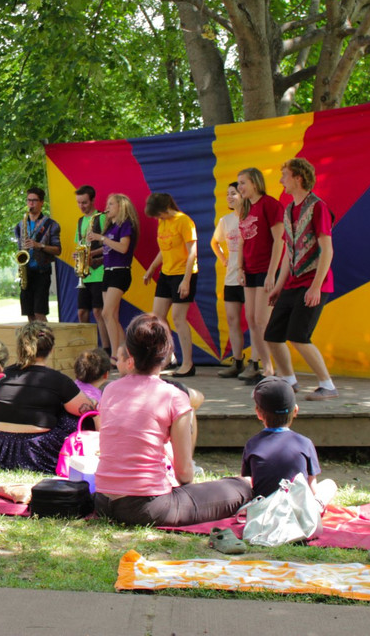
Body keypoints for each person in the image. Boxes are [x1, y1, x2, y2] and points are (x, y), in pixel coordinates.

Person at [94, 314, 252, 527]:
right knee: (240, 487)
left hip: (103, 500)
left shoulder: (109, 389)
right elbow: (185, 474)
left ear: (129, 353)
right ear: (168, 355)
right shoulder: (173, 396)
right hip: (147, 506)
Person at [266, 158, 339, 400]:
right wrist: (278, 287)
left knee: (299, 336)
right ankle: (288, 380)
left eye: (284, 175)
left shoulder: (318, 207)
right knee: (273, 335)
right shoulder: (288, 210)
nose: (281, 180)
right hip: (292, 283)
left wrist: (316, 286)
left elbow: (326, 249)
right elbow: (289, 252)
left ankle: (327, 385)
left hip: (314, 283)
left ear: (298, 177)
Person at [0, 321, 95, 473]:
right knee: (80, 419)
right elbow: (87, 411)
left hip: (0, 451)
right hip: (38, 452)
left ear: (20, 349)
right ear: (51, 349)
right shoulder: (58, 379)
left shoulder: (4, 374)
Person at [243, 377, 336, 505]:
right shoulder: (305, 443)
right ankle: (317, 509)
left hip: (264, 510)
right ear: (296, 411)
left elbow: (249, 482)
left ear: (258, 413)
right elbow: (312, 487)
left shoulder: (252, 444)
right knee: (330, 484)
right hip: (298, 512)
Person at [235, 167, 284, 384]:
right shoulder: (245, 208)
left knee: (263, 321)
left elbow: (279, 241)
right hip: (251, 270)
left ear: (255, 183)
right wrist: (241, 268)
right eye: (238, 183)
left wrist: (272, 273)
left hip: (266, 269)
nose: (240, 187)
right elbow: (243, 242)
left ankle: (276, 370)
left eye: (243, 182)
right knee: (252, 320)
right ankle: (266, 368)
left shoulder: (270, 205)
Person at [142, 193, 199, 378]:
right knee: (157, 317)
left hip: (183, 273)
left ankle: (188, 363)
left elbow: (192, 253)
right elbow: (163, 249)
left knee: (178, 318)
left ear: (166, 209)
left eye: (159, 215)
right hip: (166, 273)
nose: (158, 219)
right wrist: (151, 268)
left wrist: (186, 280)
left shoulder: (184, 221)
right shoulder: (163, 222)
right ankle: (168, 356)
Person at [88, 193, 138, 360]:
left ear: (121, 206)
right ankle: (125, 353)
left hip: (120, 271)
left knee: (107, 313)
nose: (106, 207)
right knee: (111, 316)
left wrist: (100, 238)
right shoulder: (111, 227)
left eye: (111, 204)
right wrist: (91, 254)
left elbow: (123, 248)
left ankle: (116, 355)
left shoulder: (126, 225)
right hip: (108, 272)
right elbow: (108, 249)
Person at [212, 182, 246, 378]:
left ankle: (257, 363)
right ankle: (237, 361)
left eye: (233, 193)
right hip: (231, 277)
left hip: (250, 277)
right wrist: (224, 259)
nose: (229, 197)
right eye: (227, 194)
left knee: (254, 321)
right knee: (233, 320)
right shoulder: (225, 220)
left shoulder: (251, 218)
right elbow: (215, 242)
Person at [14, 187, 61, 322]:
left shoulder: (51, 225)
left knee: (40, 313)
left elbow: (58, 250)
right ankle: (34, 342)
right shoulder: (20, 225)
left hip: (42, 271)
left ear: (41, 203)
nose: (31, 204)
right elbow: (20, 247)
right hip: (26, 272)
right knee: (29, 314)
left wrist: (39, 245)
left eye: (34, 201)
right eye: (29, 200)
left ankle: (46, 340)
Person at [74, 185, 109, 349]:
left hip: (100, 271)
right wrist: (78, 255)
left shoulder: (102, 217)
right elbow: (79, 245)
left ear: (93, 200)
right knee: (82, 312)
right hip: (85, 273)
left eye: (85, 202)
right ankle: (89, 347)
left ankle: (107, 348)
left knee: (98, 311)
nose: (82, 206)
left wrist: (91, 254)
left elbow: (109, 245)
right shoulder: (80, 221)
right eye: (79, 203)